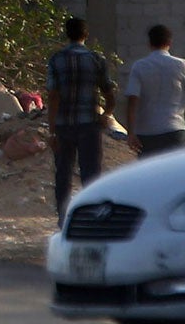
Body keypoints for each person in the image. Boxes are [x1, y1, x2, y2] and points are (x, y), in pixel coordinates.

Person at [45, 16, 114, 218]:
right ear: (86, 34)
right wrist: (106, 114)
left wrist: (51, 130)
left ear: (67, 34)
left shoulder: (56, 60)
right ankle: (92, 217)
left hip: (63, 126)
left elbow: (52, 96)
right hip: (89, 125)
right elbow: (110, 94)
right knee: (91, 175)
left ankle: (64, 218)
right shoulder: (96, 60)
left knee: (63, 174)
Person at [124, 24, 185, 157]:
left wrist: (131, 133)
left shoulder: (139, 66)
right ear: (169, 42)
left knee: (150, 175)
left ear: (150, 43)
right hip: (173, 131)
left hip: (146, 133)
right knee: (174, 174)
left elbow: (132, 101)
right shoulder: (182, 65)